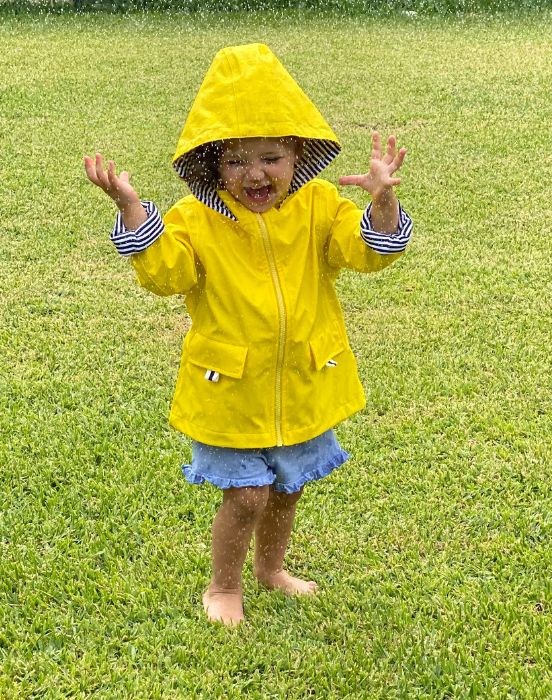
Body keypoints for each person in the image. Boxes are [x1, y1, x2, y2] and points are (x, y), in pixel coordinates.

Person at [84, 43, 412, 626]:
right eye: (235, 162)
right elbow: (165, 274)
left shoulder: (320, 206)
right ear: (210, 168)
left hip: (302, 381)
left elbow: (369, 251)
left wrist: (382, 199)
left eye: (271, 158)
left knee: (287, 488)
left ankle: (270, 568)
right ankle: (224, 586)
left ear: (298, 156)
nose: (255, 174)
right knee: (247, 495)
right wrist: (134, 210)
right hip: (230, 387)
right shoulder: (194, 218)